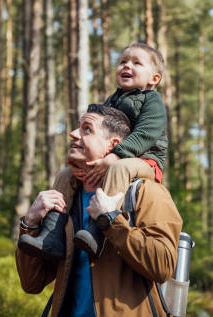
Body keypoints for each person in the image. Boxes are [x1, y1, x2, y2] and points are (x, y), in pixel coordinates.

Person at [16, 104, 182, 317]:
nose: (74, 134)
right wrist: (30, 223)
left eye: (87, 129)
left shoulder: (146, 193)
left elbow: (163, 265)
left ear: (112, 145)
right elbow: (31, 283)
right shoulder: (65, 200)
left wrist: (112, 221)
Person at [18, 43, 168, 259]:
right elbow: (100, 137)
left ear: (154, 78)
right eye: (123, 62)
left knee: (119, 167)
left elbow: (147, 132)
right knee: (65, 175)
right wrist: (81, 166)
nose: (127, 66)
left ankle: (98, 232)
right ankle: (52, 235)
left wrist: (116, 155)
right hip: (116, 156)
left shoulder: (151, 100)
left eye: (136, 63)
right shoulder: (112, 100)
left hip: (146, 160)